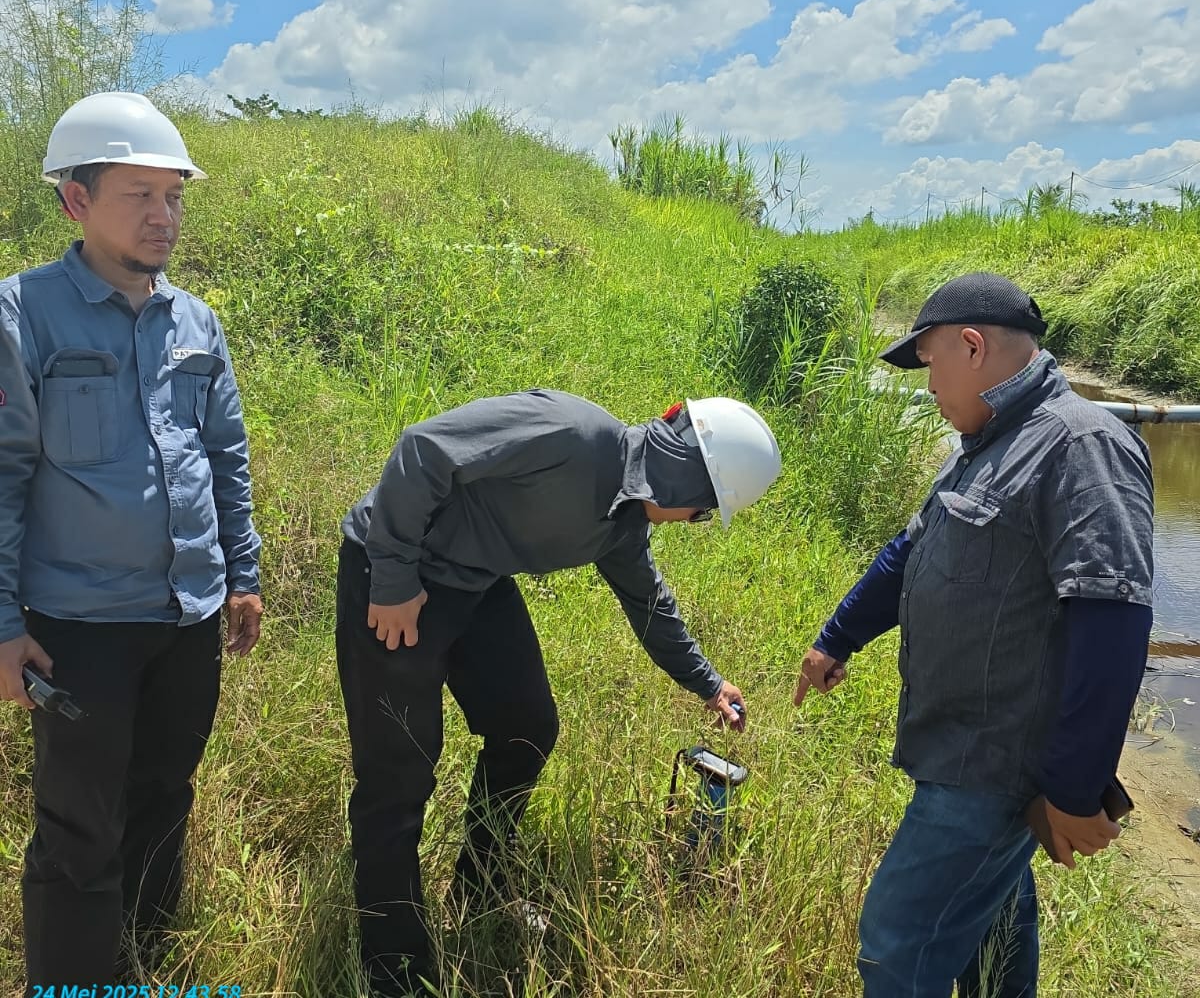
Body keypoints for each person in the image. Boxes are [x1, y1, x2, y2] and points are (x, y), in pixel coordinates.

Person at [337, 389, 782, 996]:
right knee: (399, 771)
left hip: (474, 580)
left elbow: (649, 605)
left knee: (527, 724)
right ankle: (394, 964)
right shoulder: (572, 434)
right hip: (394, 570)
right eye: (704, 512)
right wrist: (390, 578)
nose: (693, 523)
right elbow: (424, 449)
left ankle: (481, 884)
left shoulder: (622, 527)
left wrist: (706, 683)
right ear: (687, 485)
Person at [795, 272, 1153, 998]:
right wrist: (837, 638)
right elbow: (912, 550)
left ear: (970, 345)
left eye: (929, 362)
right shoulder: (993, 440)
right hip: (958, 745)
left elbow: (1113, 619)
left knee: (896, 946)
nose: (927, 386)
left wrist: (1073, 790)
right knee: (991, 935)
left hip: (992, 768)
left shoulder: (1081, 447)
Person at [0, 92, 264, 990]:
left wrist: (243, 575)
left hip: (186, 618)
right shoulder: (23, 316)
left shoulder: (196, 323)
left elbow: (226, 455)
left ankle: (142, 960)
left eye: (175, 196)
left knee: (164, 796)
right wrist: (2, 624)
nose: (164, 217)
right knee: (80, 824)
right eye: (138, 196)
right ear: (75, 201)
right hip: (81, 625)